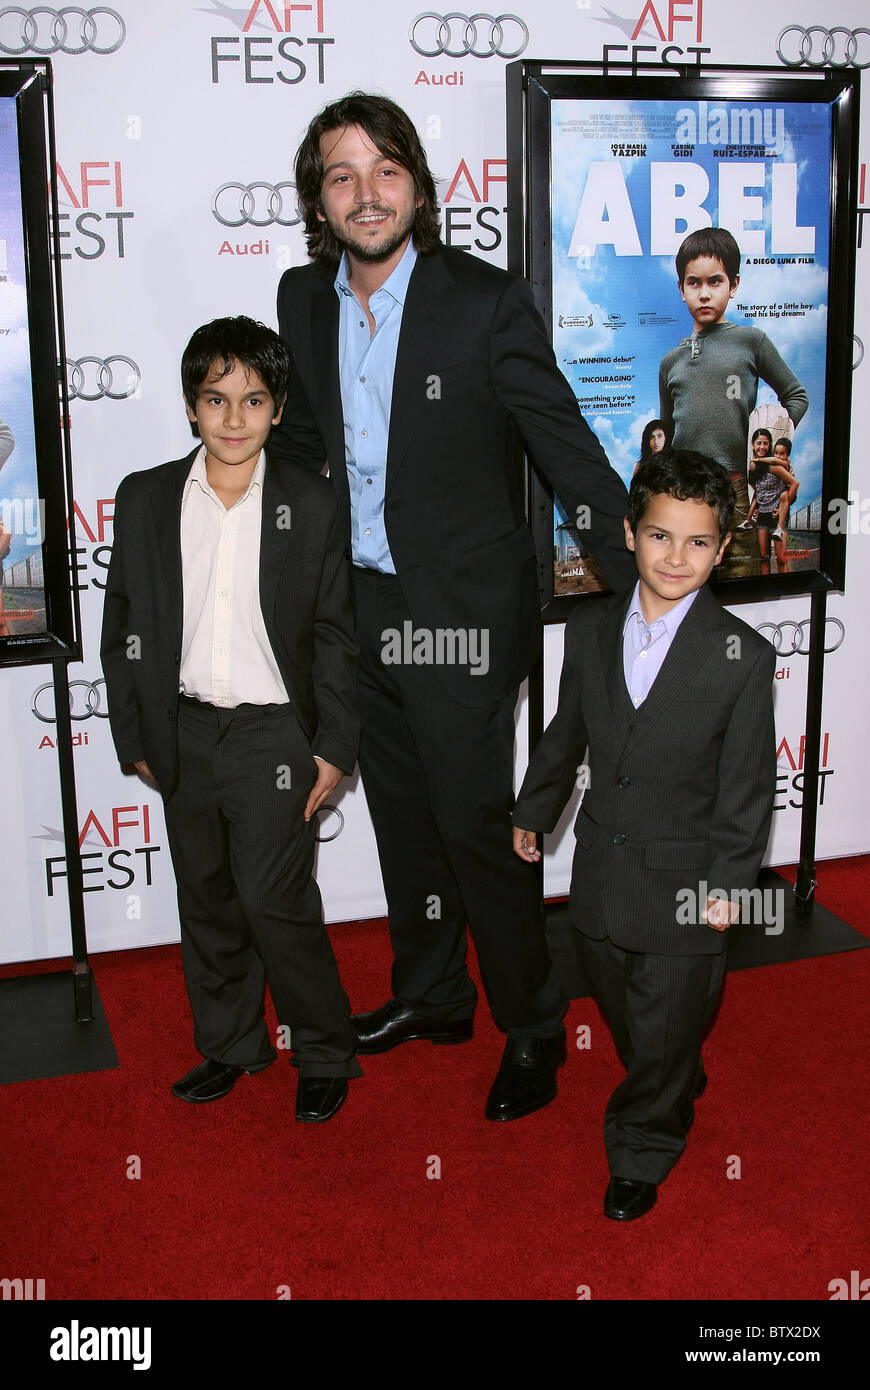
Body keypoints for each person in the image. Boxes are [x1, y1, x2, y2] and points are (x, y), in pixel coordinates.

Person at [271, 91, 636, 1122]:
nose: (366, 192)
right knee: (402, 818)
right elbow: (303, 451)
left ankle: (530, 1022)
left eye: (385, 169)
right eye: (341, 174)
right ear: (319, 200)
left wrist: (646, 569)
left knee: (478, 825)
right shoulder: (302, 300)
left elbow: (561, 442)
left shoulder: (483, 301)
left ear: (420, 189)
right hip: (363, 608)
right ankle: (435, 995)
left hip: (466, 617)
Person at [101, 316, 362, 1123]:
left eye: (254, 400)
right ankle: (232, 1045)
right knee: (207, 898)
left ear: (278, 410)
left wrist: (333, 748)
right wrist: (136, 734)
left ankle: (324, 1051)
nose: (236, 419)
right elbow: (124, 626)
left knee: (274, 902)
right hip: (183, 729)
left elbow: (333, 635)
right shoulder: (146, 498)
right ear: (191, 406)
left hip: (273, 735)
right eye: (217, 399)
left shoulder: (310, 504)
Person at [512, 450, 776, 1219]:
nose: (676, 558)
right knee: (623, 1003)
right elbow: (565, 734)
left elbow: (747, 789)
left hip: (691, 883)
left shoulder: (742, 657)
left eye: (698, 543)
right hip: (601, 871)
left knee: (662, 1024)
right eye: (661, 537)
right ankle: (670, 1066)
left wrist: (731, 889)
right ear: (630, 533)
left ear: (722, 549)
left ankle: (644, 1142)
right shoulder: (591, 628)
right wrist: (536, 809)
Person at [658, 227, 808, 533]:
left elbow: (796, 396)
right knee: (689, 579)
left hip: (739, 490)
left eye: (715, 281)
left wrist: (774, 445)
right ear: (681, 288)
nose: (704, 292)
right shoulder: (670, 361)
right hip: (685, 493)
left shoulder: (751, 341)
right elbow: (667, 436)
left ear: (733, 284)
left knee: (743, 576)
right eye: (693, 282)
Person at [745, 429, 800, 575]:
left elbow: (792, 485)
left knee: (781, 559)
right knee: (763, 557)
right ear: (752, 445)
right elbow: (759, 492)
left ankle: (786, 593)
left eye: (765, 444)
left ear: (769, 445)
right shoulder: (753, 468)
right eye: (758, 443)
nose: (762, 447)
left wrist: (784, 507)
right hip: (762, 516)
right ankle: (766, 589)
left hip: (777, 516)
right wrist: (755, 510)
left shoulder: (777, 465)